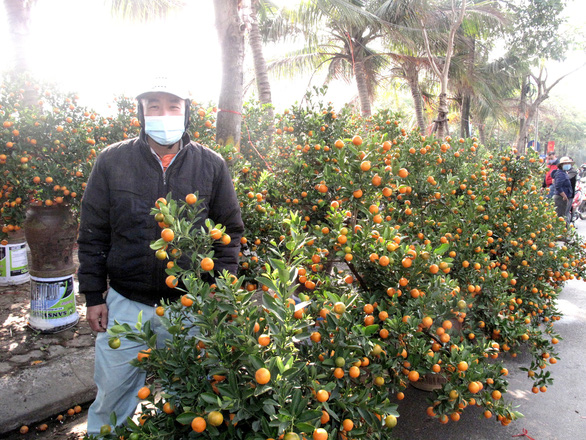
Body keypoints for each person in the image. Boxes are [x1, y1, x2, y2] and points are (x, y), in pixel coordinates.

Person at [78, 77, 244, 435]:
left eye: (172, 106)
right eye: (153, 105)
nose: (163, 113)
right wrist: (93, 296)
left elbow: (229, 234)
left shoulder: (211, 165)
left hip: (188, 307)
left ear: (186, 113)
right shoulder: (111, 161)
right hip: (126, 303)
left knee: (190, 398)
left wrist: (219, 289)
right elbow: (93, 234)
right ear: (141, 112)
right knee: (112, 396)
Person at [551, 156, 574, 225]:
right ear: (562, 165)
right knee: (559, 217)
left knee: (561, 215)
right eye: (566, 163)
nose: (568, 165)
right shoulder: (560, 174)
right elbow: (558, 186)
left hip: (562, 198)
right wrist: (564, 196)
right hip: (560, 198)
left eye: (568, 163)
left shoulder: (563, 173)